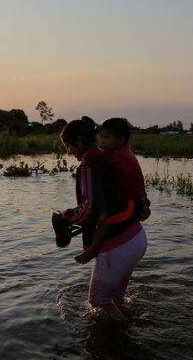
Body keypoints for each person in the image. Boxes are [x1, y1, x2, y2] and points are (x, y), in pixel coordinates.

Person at [56, 116, 148, 322]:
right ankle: (135, 326)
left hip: (119, 245)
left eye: (69, 146)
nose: (68, 152)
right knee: (116, 299)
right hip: (135, 237)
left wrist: (66, 217)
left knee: (98, 300)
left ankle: (124, 340)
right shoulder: (109, 159)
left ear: (79, 141)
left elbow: (91, 209)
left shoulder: (90, 165)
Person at [88, 117, 151, 224]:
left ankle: (95, 242)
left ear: (121, 140)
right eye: (101, 137)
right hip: (135, 199)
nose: (102, 141)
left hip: (132, 202)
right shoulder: (124, 151)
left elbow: (95, 154)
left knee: (102, 220)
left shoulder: (119, 154)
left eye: (106, 137)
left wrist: (86, 152)